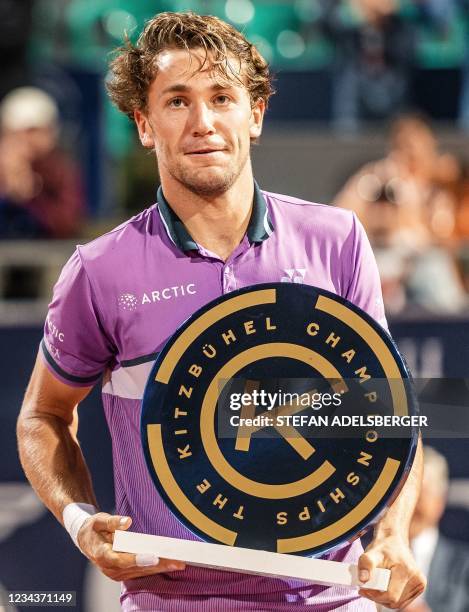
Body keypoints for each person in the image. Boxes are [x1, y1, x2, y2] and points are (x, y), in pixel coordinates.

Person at [17, 12, 425, 611]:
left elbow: (388, 413)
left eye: (222, 98)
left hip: (330, 596)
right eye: (177, 101)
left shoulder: (334, 239)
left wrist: (392, 535)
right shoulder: (100, 269)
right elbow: (43, 416)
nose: (203, 123)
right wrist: (80, 520)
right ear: (145, 124)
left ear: (254, 115)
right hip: (169, 599)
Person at [0, 87, 84, 239]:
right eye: (22, 132)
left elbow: (68, 223)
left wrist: (33, 197)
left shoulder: (60, 171)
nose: (28, 141)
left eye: (36, 132)